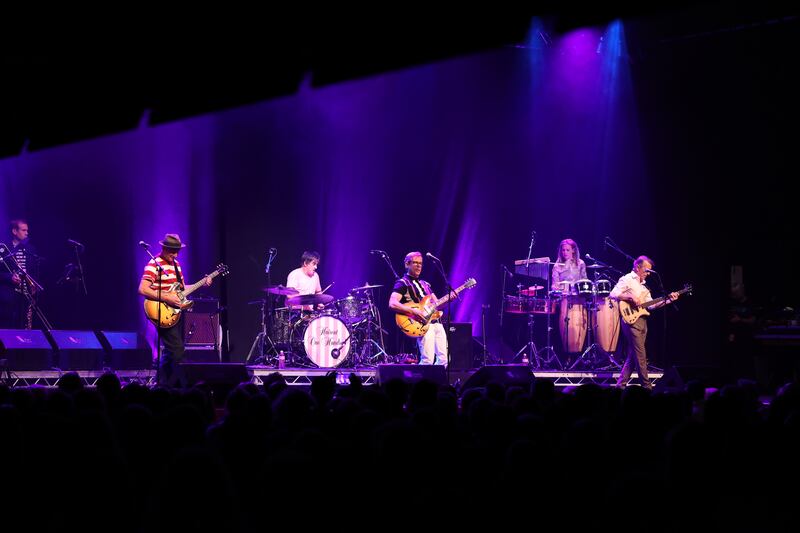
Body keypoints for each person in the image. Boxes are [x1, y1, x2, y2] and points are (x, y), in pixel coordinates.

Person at [138, 233, 212, 387]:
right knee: (178, 351)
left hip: (175, 312)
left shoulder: (176, 265)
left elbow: (182, 290)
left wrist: (202, 283)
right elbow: (143, 289)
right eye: (172, 251)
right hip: (160, 311)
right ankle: (186, 387)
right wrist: (166, 298)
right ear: (164, 248)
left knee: (169, 354)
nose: (175, 254)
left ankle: (163, 386)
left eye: (177, 251)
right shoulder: (154, 264)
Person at [611, 255, 680, 390]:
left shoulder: (644, 287)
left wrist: (669, 299)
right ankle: (647, 387)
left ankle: (620, 386)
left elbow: (651, 306)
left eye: (649, 271)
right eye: (646, 270)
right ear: (637, 267)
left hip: (642, 321)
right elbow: (613, 293)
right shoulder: (627, 279)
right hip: (631, 320)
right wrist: (629, 296)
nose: (648, 274)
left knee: (633, 355)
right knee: (641, 354)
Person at [389, 251, 448, 366]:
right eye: (415, 263)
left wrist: (449, 299)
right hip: (422, 324)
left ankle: (436, 383)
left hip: (436, 322)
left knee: (444, 360)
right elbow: (392, 304)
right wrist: (413, 310)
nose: (419, 266)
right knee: (428, 361)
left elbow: (437, 304)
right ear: (407, 264)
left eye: (420, 263)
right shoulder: (402, 283)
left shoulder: (426, 284)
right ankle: (420, 383)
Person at [551, 238, 589, 357]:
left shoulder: (581, 263)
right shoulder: (557, 265)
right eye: (563, 250)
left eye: (567, 250)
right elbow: (554, 284)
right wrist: (561, 288)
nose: (565, 252)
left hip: (579, 299)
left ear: (573, 250)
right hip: (564, 299)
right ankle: (565, 355)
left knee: (579, 326)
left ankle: (579, 354)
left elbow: (584, 281)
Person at [0, 219, 39, 329]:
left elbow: (34, 271)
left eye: (27, 230)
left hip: (26, 294)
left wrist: (34, 285)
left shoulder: (31, 249)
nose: (27, 233)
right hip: (8, 295)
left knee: (23, 326)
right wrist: (9, 277)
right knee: (8, 327)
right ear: (14, 231)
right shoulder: (4, 249)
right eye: (23, 230)